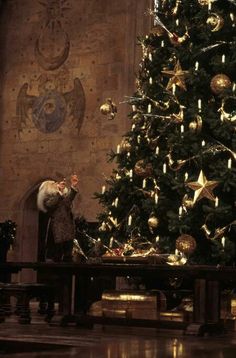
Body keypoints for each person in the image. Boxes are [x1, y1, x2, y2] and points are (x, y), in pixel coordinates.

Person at [37, 174, 80, 262]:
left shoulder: (61, 197)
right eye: (54, 184)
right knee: (56, 254)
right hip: (55, 229)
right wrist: (59, 192)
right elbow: (50, 204)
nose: (58, 184)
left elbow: (68, 200)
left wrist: (73, 186)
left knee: (67, 254)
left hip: (67, 229)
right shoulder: (48, 197)